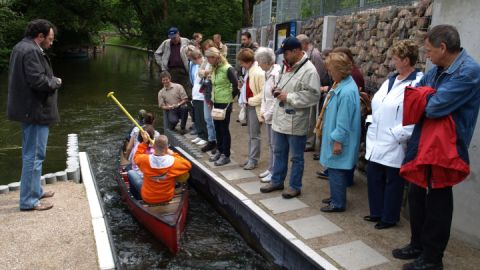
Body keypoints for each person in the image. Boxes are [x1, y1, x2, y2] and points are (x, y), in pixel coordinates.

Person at [393, 25, 480, 270]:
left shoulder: (469, 71)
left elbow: (432, 107)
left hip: (446, 146)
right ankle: (418, 245)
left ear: (443, 48)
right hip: (425, 140)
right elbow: (416, 96)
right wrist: (426, 96)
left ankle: (432, 259)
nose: (426, 55)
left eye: (429, 50)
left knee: (439, 199)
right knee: (418, 194)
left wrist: (424, 97)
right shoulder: (438, 69)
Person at [364, 40, 423, 230]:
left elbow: (417, 115)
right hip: (378, 137)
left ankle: (389, 217)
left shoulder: (418, 82)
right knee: (373, 175)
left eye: (396, 58)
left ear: (406, 60)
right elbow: (379, 104)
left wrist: (399, 134)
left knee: (393, 181)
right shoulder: (391, 79)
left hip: (396, 140)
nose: (392, 61)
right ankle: (376, 212)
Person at [7, 19, 62, 211]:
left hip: (29, 110)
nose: (51, 42)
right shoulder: (30, 51)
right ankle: (29, 201)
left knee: (33, 153)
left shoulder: (21, 47)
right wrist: (55, 81)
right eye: (50, 39)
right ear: (40, 36)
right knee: (34, 155)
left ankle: (35, 190)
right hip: (35, 111)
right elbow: (38, 82)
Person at [259, 37, 320, 198]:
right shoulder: (288, 66)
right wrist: (278, 90)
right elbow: (288, 87)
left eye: (285, 53)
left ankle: (294, 186)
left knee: (296, 157)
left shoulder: (309, 70)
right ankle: (277, 180)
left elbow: (313, 96)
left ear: (295, 51)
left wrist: (289, 97)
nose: (283, 57)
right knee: (279, 152)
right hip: (280, 120)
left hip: (296, 121)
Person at [319, 52, 361, 213]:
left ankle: (338, 202)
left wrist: (337, 141)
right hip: (337, 135)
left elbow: (343, 121)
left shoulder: (346, 91)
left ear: (339, 70)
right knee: (335, 168)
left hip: (339, 139)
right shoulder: (345, 85)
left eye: (331, 70)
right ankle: (336, 197)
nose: (329, 73)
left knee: (336, 169)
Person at [131, 133, 192, 204]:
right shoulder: (174, 162)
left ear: (153, 147)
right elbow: (188, 165)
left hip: (148, 198)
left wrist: (144, 143)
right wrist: (172, 153)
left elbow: (136, 156)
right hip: (167, 197)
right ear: (166, 148)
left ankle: (135, 198)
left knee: (131, 173)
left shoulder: (144, 160)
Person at [205, 47, 238, 166]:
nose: (208, 61)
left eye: (209, 58)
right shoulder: (215, 68)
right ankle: (220, 150)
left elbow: (236, 85)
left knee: (224, 129)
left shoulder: (227, 68)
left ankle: (226, 154)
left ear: (216, 57)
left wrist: (230, 99)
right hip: (216, 101)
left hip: (225, 103)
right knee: (217, 128)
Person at [297, 34, 329, 153]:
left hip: (315, 90)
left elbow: (319, 74)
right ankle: (308, 141)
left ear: (304, 43)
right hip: (312, 89)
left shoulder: (314, 54)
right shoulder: (311, 54)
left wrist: (316, 88)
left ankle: (310, 142)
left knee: (312, 117)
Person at [237, 48, 265, 170]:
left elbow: (264, 93)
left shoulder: (258, 72)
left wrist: (250, 100)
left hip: (254, 106)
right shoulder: (250, 71)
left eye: (242, 62)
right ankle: (250, 157)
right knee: (251, 134)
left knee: (254, 135)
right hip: (250, 105)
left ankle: (253, 160)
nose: (241, 65)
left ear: (247, 61)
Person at [255, 47, 281, 183]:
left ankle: (274, 171)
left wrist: (268, 113)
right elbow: (266, 96)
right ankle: (271, 169)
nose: (258, 64)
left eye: (259, 61)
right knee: (270, 144)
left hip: (274, 116)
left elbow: (276, 98)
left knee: (275, 145)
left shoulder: (276, 74)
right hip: (268, 115)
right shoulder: (267, 73)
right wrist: (263, 112)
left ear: (266, 61)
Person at [127, 125, 157, 199]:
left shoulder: (138, 149)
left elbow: (135, 163)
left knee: (130, 171)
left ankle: (136, 197)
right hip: (157, 181)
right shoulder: (158, 149)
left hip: (146, 184)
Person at [189, 49, 209, 147]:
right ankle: (200, 134)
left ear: (196, 58)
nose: (192, 62)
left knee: (203, 117)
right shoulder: (196, 66)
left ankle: (205, 137)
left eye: (193, 60)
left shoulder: (205, 65)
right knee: (197, 117)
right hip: (196, 95)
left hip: (201, 96)